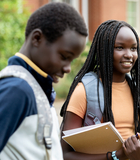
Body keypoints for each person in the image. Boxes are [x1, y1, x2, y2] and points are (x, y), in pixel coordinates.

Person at [0, 2, 87, 160]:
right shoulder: (17, 89)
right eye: (64, 57)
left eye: (72, 60)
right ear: (37, 38)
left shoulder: (36, 87)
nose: (68, 68)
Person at [60, 20, 140, 160]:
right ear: (104, 49)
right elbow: (64, 154)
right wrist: (114, 156)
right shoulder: (84, 92)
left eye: (133, 48)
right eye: (120, 47)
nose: (129, 54)